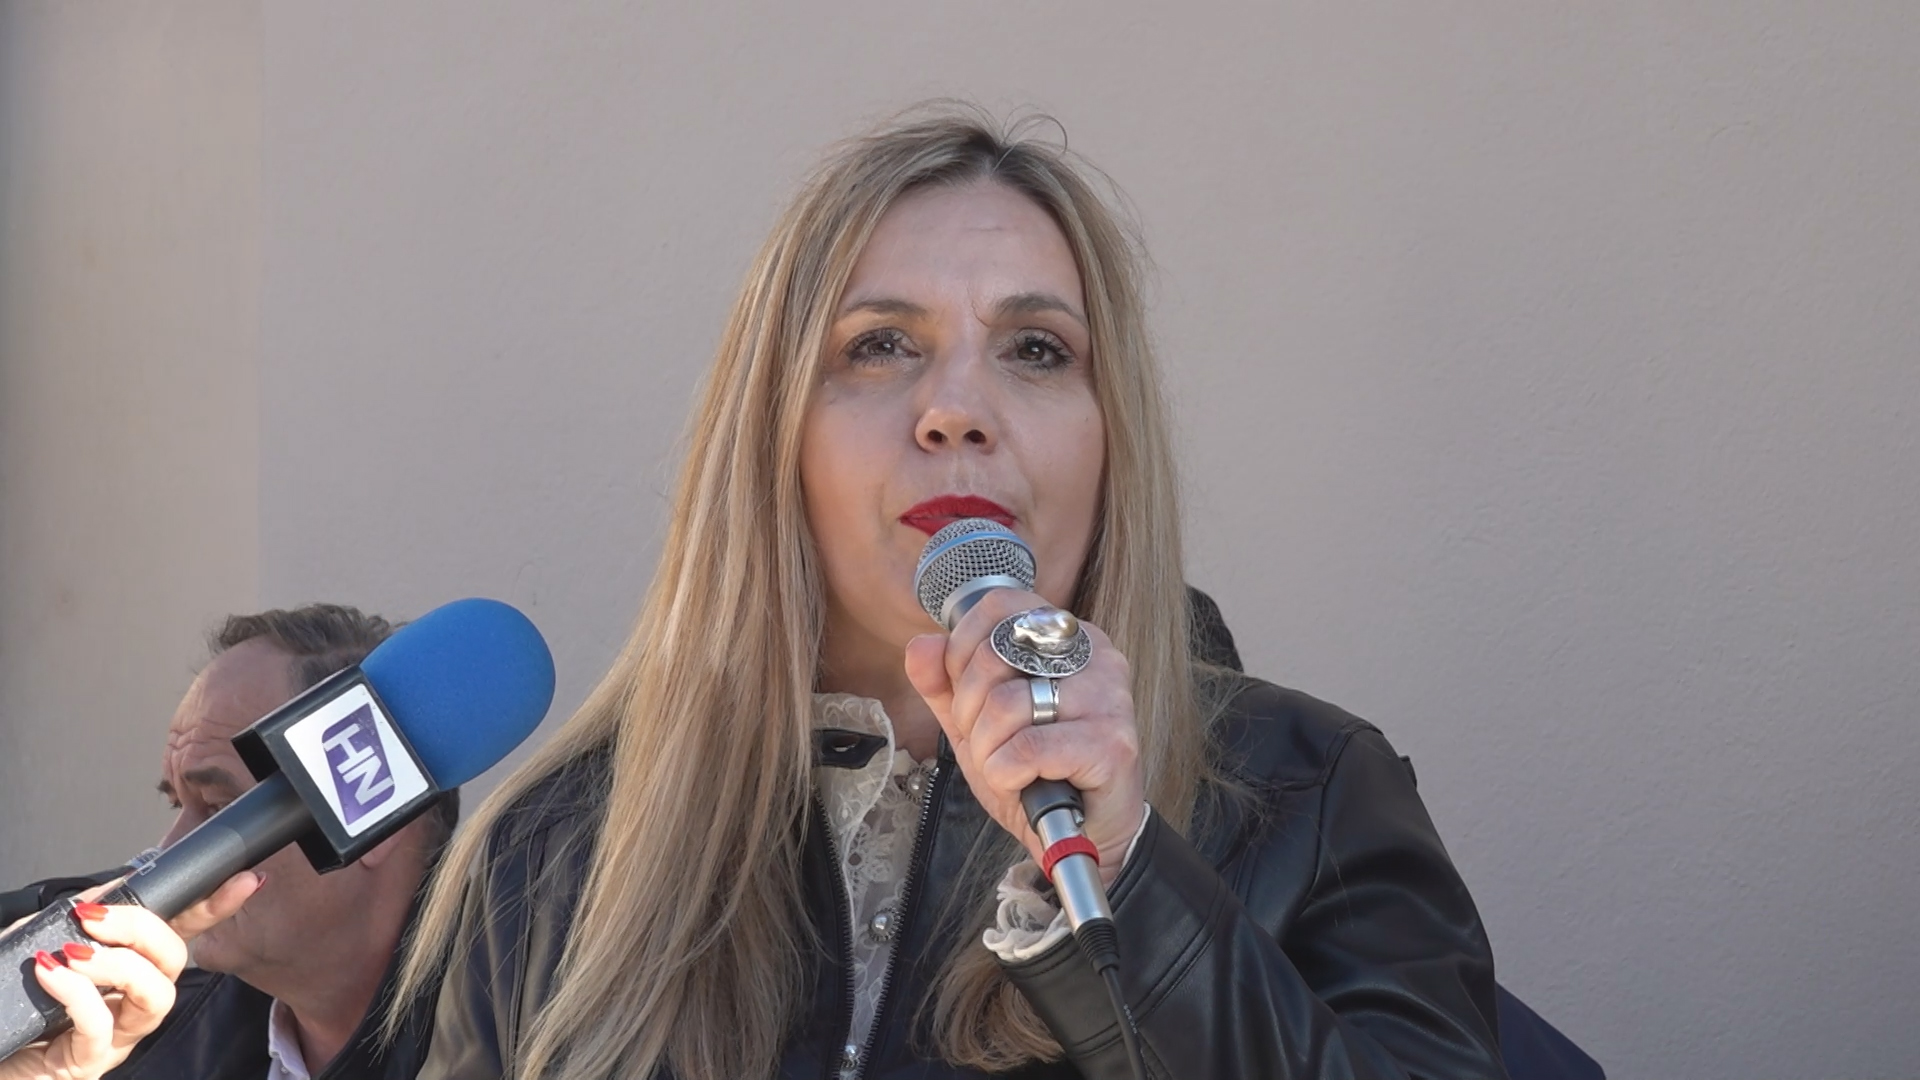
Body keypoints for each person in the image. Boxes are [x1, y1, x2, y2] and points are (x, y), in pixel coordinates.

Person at [398, 104, 1508, 1080]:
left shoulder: (1310, 796)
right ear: (772, 437)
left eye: (1036, 349)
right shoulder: (556, 852)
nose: (957, 411)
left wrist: (1128, 878)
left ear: (1111, 441)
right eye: (880, 345)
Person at [101, 604, 457, 1080]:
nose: (170, 848)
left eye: (220, 808)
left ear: (376, 819)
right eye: (177, 806)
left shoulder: (521, 1039)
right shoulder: (127, 1043)